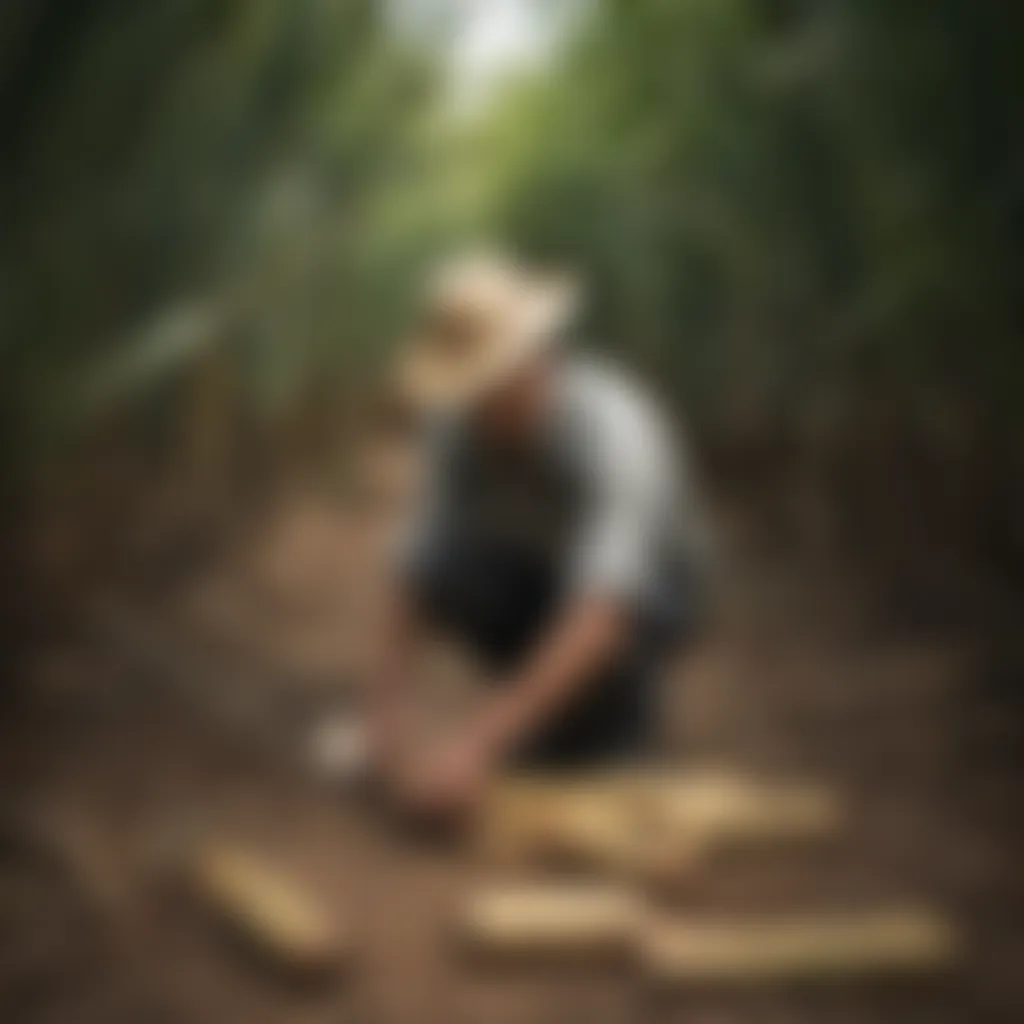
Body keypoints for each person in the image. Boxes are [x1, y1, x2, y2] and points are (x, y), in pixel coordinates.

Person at [370, 252, 709, 820]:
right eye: (466, 390)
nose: (474, 407)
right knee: (453, 569)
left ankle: (610, 722)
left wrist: (476, 744)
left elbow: (604, 610)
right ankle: (544, 709)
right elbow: (417, 566)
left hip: (657, 593)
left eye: (486, 387)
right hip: (542, 576)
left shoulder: (617, 432)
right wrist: (384, 714)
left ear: (534, 363)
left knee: (603, 749)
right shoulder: (459, 430)